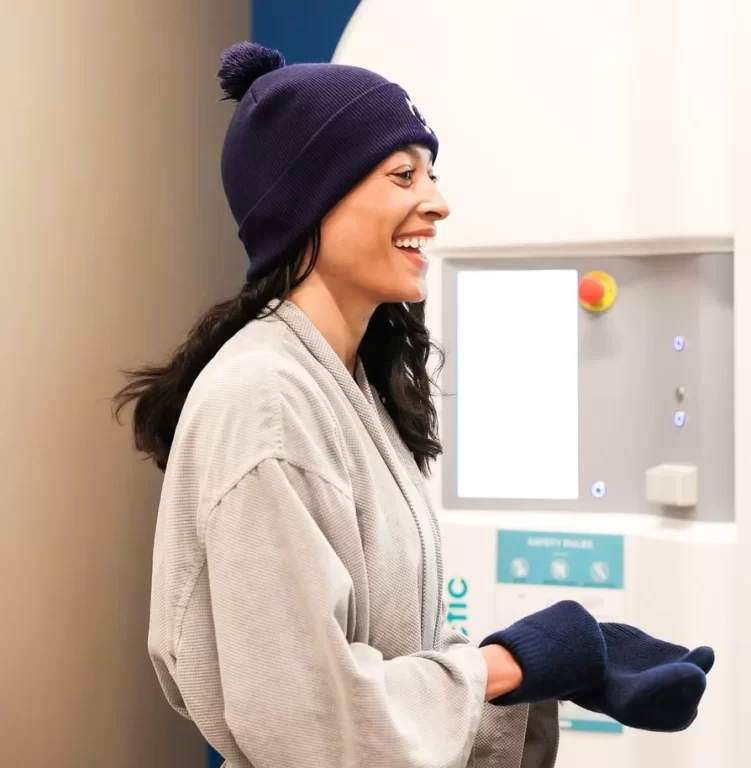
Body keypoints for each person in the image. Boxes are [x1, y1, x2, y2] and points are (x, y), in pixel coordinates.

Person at [113, 42, 714, 768]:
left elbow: (383, 661)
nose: (437, 202)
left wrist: (561, 660)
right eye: (403, 175)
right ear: (312, 198)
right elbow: (308, 719)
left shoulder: (346, 385)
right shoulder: (264, 402)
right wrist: (510, 664)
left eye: (431, 174)